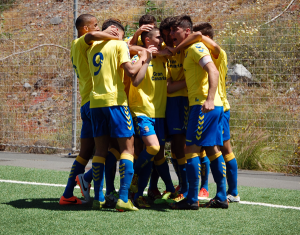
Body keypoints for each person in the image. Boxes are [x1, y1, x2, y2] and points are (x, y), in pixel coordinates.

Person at [87, 18, 148, 211]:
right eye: (124, 35)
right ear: (116, 32)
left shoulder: (92, 46)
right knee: (127, 149)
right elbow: (130, 71)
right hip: (116, 102)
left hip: (95, 103)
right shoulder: (119, 44)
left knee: (100, 151)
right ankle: (123, 198)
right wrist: (143, 59)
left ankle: (98, 197)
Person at [169, 15, 228, 210]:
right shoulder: (189, 49)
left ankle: (192, 198)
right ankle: (221, 196)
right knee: (211, 149)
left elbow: (213, 71)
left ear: (187, 31)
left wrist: (209, 98)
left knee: (191, 150)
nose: (171, 34)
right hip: (208, 105)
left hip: (203, 105)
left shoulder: (196, 47)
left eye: (174, 30)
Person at [59, 14, 119, 205]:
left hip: (87, 102)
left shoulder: (77, 46)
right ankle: (100, 193)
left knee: (86, 152)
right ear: (85, 28)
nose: (98, 28)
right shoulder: (80, 41)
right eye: (95, 25)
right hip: (95, 103)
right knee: (109, 148)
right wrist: (109, 34)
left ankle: (68, 193)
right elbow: (91, 37)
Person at [128, 27, 177, 207]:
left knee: (154, 155)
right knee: (153, 148)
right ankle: (132, 175)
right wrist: (146, 58)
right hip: (142, 111)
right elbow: (135, 81)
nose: (162, 40)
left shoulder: (163, 56)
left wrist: (163, 52)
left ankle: (139, 195)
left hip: (160, 113)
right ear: (148, 41)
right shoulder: (139, 57)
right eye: (158, 38)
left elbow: (175, 50)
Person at [159, 16, 189, 202]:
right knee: (168, 149)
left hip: (181, 101)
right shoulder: (164, 52)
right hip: (165, 103)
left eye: (171, 33)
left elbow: (170, 86)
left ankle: (188, 188)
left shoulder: (187, 48)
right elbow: (167, 85)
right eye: (165, 35)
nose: (168, 38)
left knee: (180, 146)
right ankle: (177, 186)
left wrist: (183, 83)